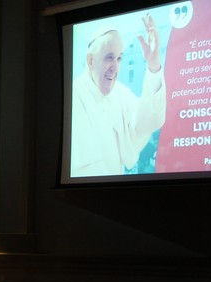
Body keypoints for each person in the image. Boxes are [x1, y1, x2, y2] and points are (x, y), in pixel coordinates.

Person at [70, 16, 166, 177]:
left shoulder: (120, 94)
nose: (115, 68)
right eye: (109, 58)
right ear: (90, 60)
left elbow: (146, 122)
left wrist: (154, 66)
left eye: (119, 58)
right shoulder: (74, 96)